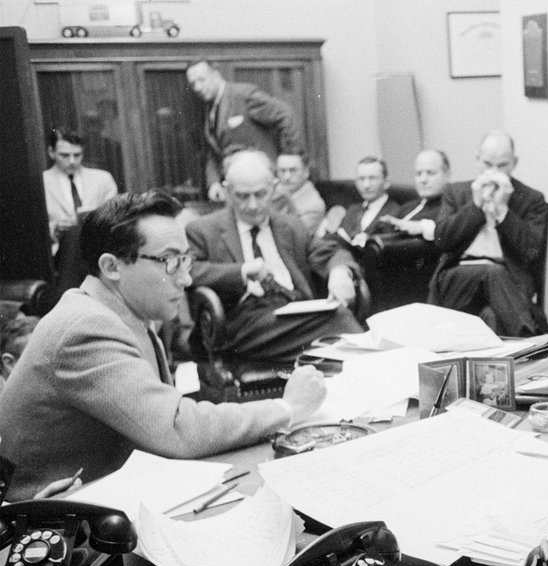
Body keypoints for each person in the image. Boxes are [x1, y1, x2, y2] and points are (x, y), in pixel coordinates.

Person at [0, 189, 326, 503]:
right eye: (169, 261)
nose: (185, 279)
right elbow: (176, 428)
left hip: (104, 497)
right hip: (47, 523)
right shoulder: (86, 327)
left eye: (185, 260)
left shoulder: (119, 313)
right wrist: (287, 408)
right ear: (111, 267)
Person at [186, 149, 362, 363]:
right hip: (243, 325)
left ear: (274, 187)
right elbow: (188, 270)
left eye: (260, 194)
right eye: (242, 196)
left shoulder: (290, 226)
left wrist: (340, 272)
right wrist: (241, 272)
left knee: (337, 343)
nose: (252, 205)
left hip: (295, 313)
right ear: (228, 190)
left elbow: (331, 252)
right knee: (340, 323)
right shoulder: (203, 230)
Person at [428, 131, 548, 337]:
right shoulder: (455, 192)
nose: (493, 172)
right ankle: (531, 338)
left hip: (508, 283)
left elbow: (533, 252)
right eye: (487, 164)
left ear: (514, 163)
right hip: (457, 280)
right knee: (491, 272)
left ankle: (519, 348)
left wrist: (503, 211)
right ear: (477, 160)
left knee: (491, 315)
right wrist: (475, 206)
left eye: (502, 165)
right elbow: (441, 240)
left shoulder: (531, 199)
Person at [186, 59, 304, 202]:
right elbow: (214, 152)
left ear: (216, 75)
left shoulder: (243, 95)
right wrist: (214, 183)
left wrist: (287, 160)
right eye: (193, 84)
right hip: (237, 188)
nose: (198, 87)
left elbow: (286, 115)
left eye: (202, 80)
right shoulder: (210, 109)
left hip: (262, 187)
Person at [357, 149, 451, 312]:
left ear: (446, 174)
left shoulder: (449, 206)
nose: (423, 180)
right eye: (418, 174)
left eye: (430, 173)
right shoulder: (407, 207)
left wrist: (418, 227)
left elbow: (446, 234)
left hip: (416, 276)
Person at [42, 127, 118, 253]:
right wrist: (55, 229)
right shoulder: (41, 182)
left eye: (77, 155)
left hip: (98, 248)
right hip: (59, 252)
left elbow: (115, 218)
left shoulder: (102, 179)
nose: (72, 161)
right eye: (64, 155)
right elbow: (33, 227)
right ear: (51, 152)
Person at [275, 152, 326, 235]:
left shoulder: (314, 206)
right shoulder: (272, 190)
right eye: (282, 171)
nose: (287, 177)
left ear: (306, 172)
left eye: (293, 171)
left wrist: (287, 198)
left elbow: (292, 236)